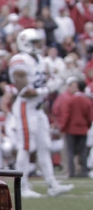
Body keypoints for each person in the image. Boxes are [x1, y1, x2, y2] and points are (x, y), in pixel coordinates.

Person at [8, 28, 72, 198]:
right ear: (26, 43)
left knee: (45, 146)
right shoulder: (19, 59)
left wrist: (55, 80)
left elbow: (49, 78)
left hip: (38, 109)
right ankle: (21, 187)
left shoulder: (40, 60)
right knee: (26, 147)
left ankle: (52, 184)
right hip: (25, 107)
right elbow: (23, 91)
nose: (39, 45)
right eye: (35, 42)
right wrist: (47, 89)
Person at [53, 77, 93, 179]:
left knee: (70, 152)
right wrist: (86, 126)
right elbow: (89, 117)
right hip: (83, 129)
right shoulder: (86, 101)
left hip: (71, 129)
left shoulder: (70, 100)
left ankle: (72, 172)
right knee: (83, 151)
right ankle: (83, 171)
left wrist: (63, 127)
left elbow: (66, 115)